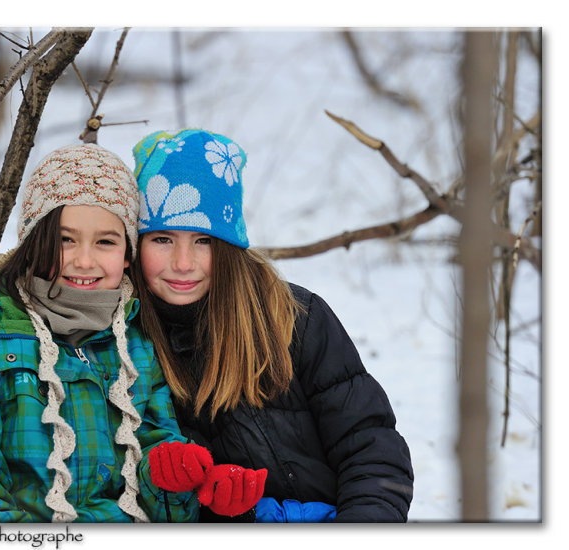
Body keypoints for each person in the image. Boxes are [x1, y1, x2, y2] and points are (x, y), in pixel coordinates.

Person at [0, 143, 217, 522]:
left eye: (106, 242)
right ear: (33, 243)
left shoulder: (138, 344)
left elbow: (152, 468)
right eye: (65, 239)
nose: (83, 260)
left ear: (127, 254)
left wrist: (171, 477)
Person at [130, 128, 415, 523]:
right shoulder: (128, 339)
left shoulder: (294, 316)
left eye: (204, 241)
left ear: (229, 246)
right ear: (137, 244)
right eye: (162, 239)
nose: (183, 262)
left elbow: (369, 445)